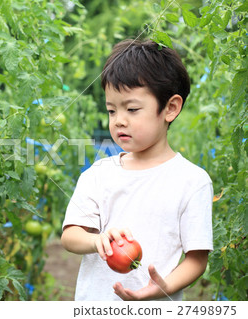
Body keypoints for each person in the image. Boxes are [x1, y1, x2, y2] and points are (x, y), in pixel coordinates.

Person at [61, 39, 213, 301]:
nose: (119, 120)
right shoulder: (98, 174)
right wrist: (96, 241)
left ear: (170, 108)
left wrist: (160, 287)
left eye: (132, 109)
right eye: (111, 110)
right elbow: (70, 235)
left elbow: (196, 259)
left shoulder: (192, 181)